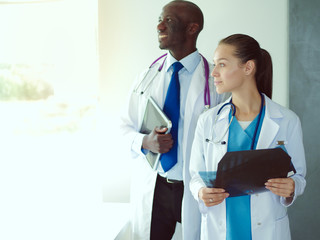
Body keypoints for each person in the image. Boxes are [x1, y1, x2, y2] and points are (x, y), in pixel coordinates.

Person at [120, 1, 228, 239]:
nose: (159, 26)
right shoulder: (146, 77)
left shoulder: (216, 82)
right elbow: (123, 128)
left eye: (168, 20)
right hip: (155, 187)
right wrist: (145, 142)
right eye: (160, 19)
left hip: (195, 187)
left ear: (192, 29)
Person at [189, 34, 307, 240]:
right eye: (215, 65)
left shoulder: (287, 120)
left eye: (222, 65)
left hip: (267, 228)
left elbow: (299, 176)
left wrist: (292, 187)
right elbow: (195, 176)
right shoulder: (207, 120)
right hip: (221, 229)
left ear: (248, 68)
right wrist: (200, 192)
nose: (214, 73)